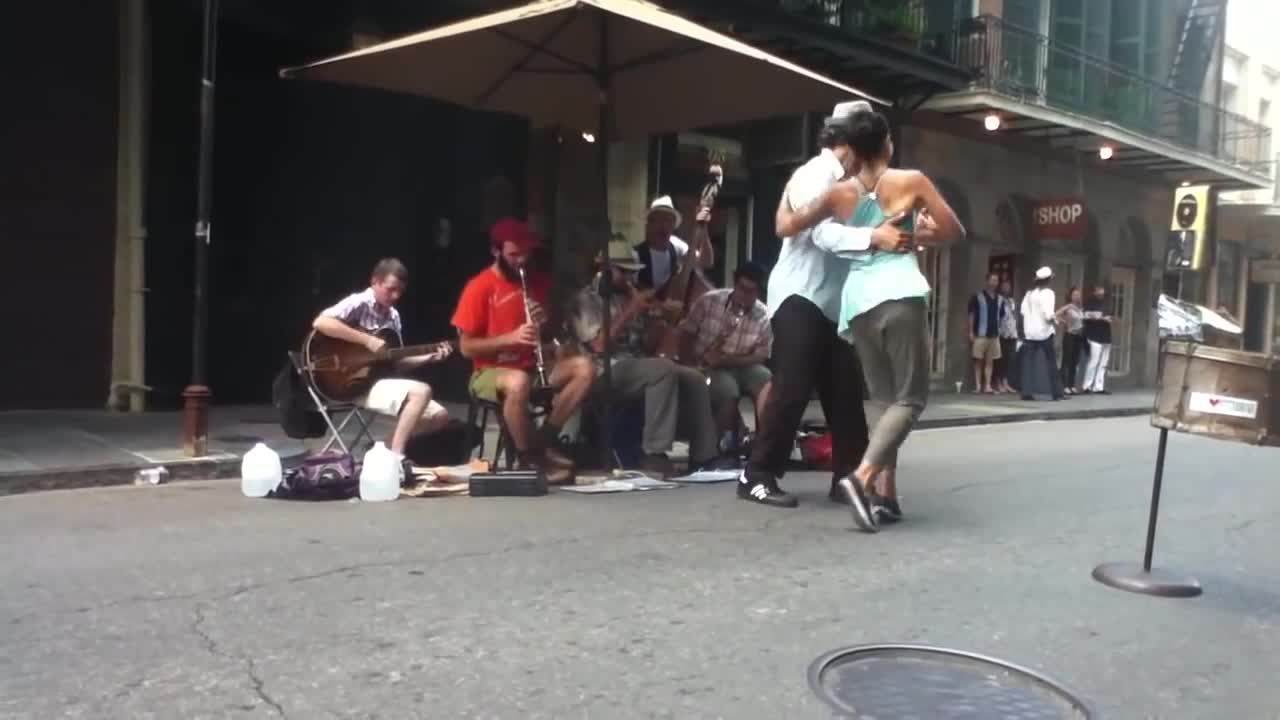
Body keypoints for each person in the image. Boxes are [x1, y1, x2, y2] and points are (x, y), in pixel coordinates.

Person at [776, 108, 965, 532]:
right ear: (887, 143)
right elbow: (955, 231)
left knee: (884, 402)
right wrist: (920, 235)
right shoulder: (910, 181)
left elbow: (787, 225)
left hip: (856, 304)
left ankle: (886, 496)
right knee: (911, 399)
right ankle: (862, 479)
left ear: (853, 150)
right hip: (898, 293)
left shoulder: (838, 193)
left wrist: (790, 189)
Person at [736, 100, 914, 509]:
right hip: (799, 294)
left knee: (845, 391)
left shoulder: (856, 184)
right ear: (852, 142)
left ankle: (849, 479)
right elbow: (820, 235)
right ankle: (757, 473)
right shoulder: (813, 175)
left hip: (834, 303)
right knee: (793, 384)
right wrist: (874, 238)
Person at [451, 219, 595, 483]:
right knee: (518, 382)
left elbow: (550, 334)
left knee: (584, 368)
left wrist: (544, 322)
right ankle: (528, 457)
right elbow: (466, 347)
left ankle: (543, 442)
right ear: (496, 252)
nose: (521, 260)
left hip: (531, 365)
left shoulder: (538, 283)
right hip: (489, 370)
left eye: (526, 253)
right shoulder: (479, 287)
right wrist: (510, 338)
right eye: (513, 254)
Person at [569, 238, 721, 478]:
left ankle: (704, 456)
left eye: (632, 273)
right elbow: (598, 345)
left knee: (693, 378)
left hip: (634, 367)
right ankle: (654, 453)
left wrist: (660, 321)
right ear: (605, 269)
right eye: (624, 273)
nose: (630, 279)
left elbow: (646, 347)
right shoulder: (585, 299)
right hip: (599, 371)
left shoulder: (628, 296)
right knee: (662, 369)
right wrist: (632, 310)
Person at [312, 258, 452, 464]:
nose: (395, 296)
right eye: (390, 289)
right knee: (421, 391)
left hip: (376, 380)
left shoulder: (393, 316)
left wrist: (428, 357)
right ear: (375, 282)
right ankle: (396, 458)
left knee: (439, 416)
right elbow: (321, 322)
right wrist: (366, 340)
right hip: (348, 381)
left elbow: (395, 363)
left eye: (399, 292)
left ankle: (381, 453)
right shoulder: (358, 302)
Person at [678, 261, 773, 450]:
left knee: (766, 381)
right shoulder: (709, 301)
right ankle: (724, 445)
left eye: (751, 292)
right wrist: (689, 363)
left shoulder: (763, 314)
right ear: (735, 284)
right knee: (727, 391)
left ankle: (765, 444)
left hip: (742, 363)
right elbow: (686, 334)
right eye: (742, 289)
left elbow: (762, 355)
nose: (745, 297)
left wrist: (727, 360)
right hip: (709, 365)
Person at [635, 195, 714, 291]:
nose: (663, 226)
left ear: (673, 226)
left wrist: (703, 228)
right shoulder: (636, 255)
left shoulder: (676, 245)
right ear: (649, 225)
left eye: (668, 221)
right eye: (659, 220)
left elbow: (706, 262)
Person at [1018, 267, 1065, 402]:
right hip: (1044, 332)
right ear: (1049, 280)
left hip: (1030, 333)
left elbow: (1023, 312)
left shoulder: (1028, 294)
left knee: (1028, 364)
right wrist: (1056, 319)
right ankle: (1057, 393)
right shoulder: (1049, 293)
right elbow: (1047, 314)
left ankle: (1026, 393)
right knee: (1051, 363)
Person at [968, 272, 1004, 394]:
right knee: (978, 360)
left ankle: (987, 385)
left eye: (996, 281)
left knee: (990, 361)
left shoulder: (1000, 299)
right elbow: (971, 315)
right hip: (980, 333)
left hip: (994, 334)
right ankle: (978, 385)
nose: (994, 283)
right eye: (992, 280)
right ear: (987, 281)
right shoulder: (977, 297)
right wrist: (971, 332)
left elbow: (1002, 316)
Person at [1081, 285, 1113, 394]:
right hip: (1094, 335)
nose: (1101, 293)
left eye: (1102, 291)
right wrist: (1098, 317)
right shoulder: (1090, 302)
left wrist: (1108, 319)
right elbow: (1084, 315)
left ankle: (1099, 387)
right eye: (1099, 291)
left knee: (1103, 363)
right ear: (1095, 291)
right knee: (1094, 361)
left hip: (1106, 336)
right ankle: (1087, 386)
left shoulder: (1106, 304)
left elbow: (1111, 317)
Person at [1056, 287, 1086, 395]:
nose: (1077, 296)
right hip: (1069, 335)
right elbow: (1056, 314)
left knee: (1074, 361)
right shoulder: (1068, 307)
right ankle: (1064, 385)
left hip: (1079, 337)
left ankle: (1071, 385)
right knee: (1067, 361)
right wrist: (1063, 322)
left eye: (1078, 294)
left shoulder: (1080, 308)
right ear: (1070, 296)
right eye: (1074, 294)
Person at [993, 278, 1019, 394]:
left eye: (1008, 286)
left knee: (1009, 359)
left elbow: (1014, 316)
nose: (1006, 288)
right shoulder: (998, 299)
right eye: (1004, 286)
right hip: (1001, 332)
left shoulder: (1012, 300)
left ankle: (1005, 382)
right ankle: (997, 382)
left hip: (1012, 333)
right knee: (1000, 359)